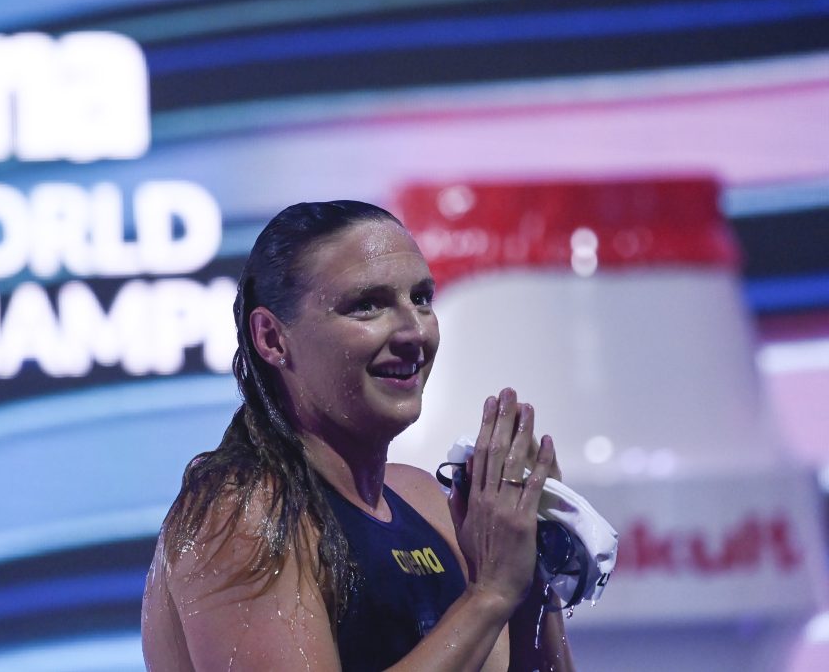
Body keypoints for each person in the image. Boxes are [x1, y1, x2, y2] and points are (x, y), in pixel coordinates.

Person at [141, 200, 575, 671]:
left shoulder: (426, 502)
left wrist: (530, 574)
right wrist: (489, 594)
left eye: (421, 298)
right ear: (271, 338)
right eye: (367, 305)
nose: (414, 332)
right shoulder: (241, 514)